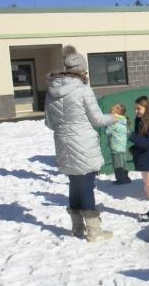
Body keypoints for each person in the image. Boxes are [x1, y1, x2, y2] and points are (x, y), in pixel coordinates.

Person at [44, 45, 116, 242]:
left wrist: (65, 130)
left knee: (75, 184)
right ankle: (94, 231)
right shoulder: (83, 90)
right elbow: (98, 120)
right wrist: (115, 117)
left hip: (63, 145)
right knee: (86, 186)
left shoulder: (51, 90)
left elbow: (49, 122)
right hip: (83, 143)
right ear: (81, 70)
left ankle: (77, 228)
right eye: (85, 70)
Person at [105, 104, 132, 185]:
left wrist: (106, 126)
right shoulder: (123, 121)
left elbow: (108, 132)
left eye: (112, 112)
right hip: (122, 146)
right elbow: (127, 133)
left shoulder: (114, 122)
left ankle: (120, 179)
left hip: (115, 146)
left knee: (117, 164)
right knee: (123, 163)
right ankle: (126, 177)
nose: (110, 114)